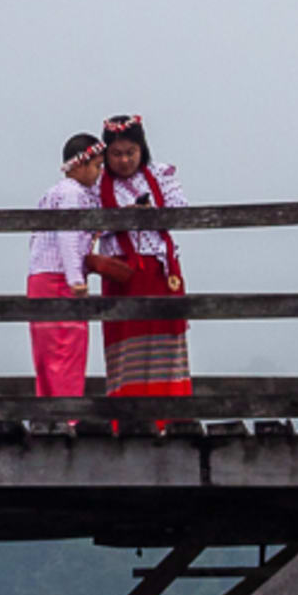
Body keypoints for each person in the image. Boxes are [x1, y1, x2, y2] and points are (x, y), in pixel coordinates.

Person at [84, 114, 191, 409]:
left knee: (165, 341)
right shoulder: (95, 184)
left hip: (160, 269)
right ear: (105, 154)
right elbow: (88, 224)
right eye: (116, 154)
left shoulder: (161, 174)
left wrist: (149, 211)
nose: (124, 160)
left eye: (131, 152)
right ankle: (128, 413)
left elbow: (181, 210)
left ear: (142, 149)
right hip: (122, 272)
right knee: (125, 342)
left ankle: (171, 413)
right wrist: (124, 218)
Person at [26, 132, 100, 399]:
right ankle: (68, 414)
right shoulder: (72, 194)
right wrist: (75, 279)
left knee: (46, 352)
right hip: (60, 278)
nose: (99, 173)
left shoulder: (53, 193)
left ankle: (47, 411)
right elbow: (68, 235)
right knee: (67, 349)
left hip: (40, 277)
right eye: (97, 166)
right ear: (80, 165)